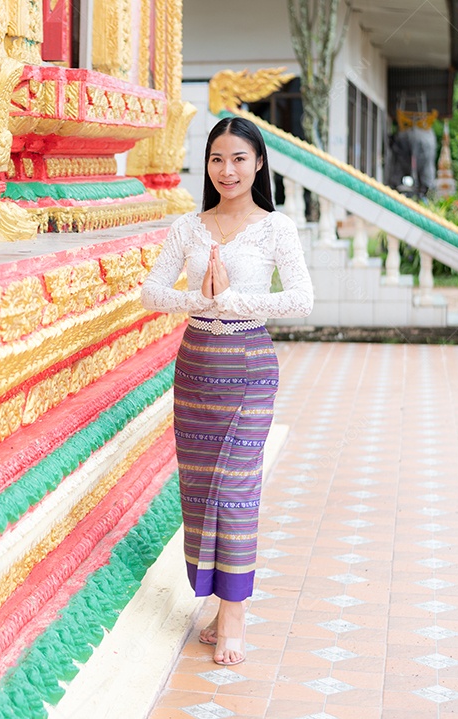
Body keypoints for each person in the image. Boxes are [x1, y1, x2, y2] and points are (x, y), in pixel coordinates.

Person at [140, 116, 313, 666]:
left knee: (235, 491)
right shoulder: (188, 227)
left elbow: (302, 299)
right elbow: (150, 292)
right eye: (217, 158)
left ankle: (235, 613)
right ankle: (217, 602)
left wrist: (233, 302)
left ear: (258, 163)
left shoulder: (275, 228)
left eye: (239, 158)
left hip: (249, 367)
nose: (227, 170)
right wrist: (200, 298)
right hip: (196, 371)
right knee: (199, 493)